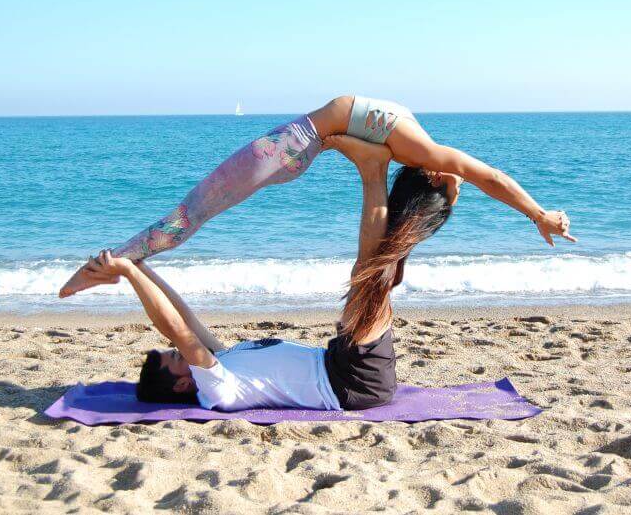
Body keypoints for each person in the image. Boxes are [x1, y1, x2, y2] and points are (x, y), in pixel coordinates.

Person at [59, 95, 576, 298]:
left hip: (291, 150)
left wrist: (341, 143)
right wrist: (537, 213)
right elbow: (491, 177)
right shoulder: (424, 150)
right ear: (440, 177)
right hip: (289, 149)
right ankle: (109, 264)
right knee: (193, 213)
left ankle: (109, 263)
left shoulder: (409, 147)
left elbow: (484, 178)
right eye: (456, 183)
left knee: (193, 214)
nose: (461, 180)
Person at [72, 136, 418, 410]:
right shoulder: (217, 388)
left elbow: (185, 318)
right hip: (353, 382)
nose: (180, 350)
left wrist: (140, 265)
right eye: (177, 356)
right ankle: (373, 170)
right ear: (181, 384)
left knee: (379, 271)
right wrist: (129, 275)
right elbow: (175, 329)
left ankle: (426, 198)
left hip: (339, 360)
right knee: (370, 274)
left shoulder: (224, 362)